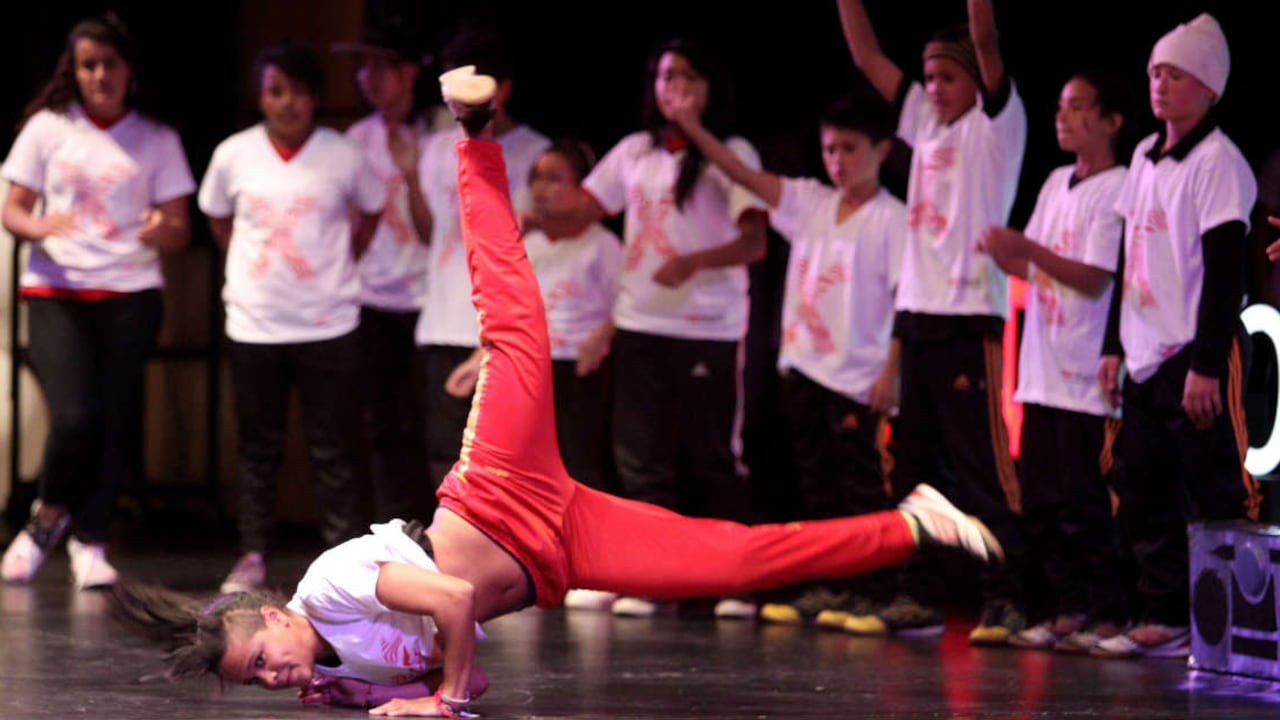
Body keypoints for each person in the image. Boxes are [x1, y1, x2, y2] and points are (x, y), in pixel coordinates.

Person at [116, 67, 1005, 717]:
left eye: (264, 659)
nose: (277, 677)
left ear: (274, 616)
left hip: (499, 491)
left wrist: (443, 702)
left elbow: (458, 607)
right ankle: (914, 523)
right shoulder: (339, 675)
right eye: (259, 683)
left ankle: (474, 136)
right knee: (736, 558)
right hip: (559, 552)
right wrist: (388, 691)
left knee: (516, 323)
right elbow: (479, 662)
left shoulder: (329, 586)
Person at [548, 38, 771, 619]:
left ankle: (737, 581)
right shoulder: (634, 151)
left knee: (712, 455)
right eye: (666, 76)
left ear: (709, 87)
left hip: (708, 330)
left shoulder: (732, 152)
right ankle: (654, 578)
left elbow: (755, 241)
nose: (674, 87)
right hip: (640, 324)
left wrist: (694, 261)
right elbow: (581, 213)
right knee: (640, 458)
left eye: (688, 77)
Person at [667, 89, 905, 629]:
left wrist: (891, 373)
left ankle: (874, 589)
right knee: (815, 486)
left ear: (882, 149)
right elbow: (743, 174)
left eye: (849, 148)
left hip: (858, 376)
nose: (837, 160)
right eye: (829, 149)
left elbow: (904, 303)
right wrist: (696, 128)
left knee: (862, 489)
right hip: (803, 369)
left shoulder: (892, 219)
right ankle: (830, 587)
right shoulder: (810, 201)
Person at [837, 0, 1029, 644]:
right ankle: (919, 592)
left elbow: (986, 37)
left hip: (969, 316)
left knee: (982, 466)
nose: (934, 88)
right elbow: (866, 55)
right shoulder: (923, 120)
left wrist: (978, 28)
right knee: (913, 465)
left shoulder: (995, 126)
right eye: (929, 77)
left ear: (976, 80)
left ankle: (1012, 596)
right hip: (919, 318)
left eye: (948, 76)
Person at [0, 12, 195, 590]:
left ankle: (92, 539)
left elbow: (181, 227)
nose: (99, 75)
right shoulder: (47, 128)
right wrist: (37, 228)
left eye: (109, 63)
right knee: (76, 414)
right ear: (74, 70)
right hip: (58, 288)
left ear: (128, 69)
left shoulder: (157, 137)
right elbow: (12, 208)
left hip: (130, 291)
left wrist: (165, 228)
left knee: (112, 419)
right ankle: (47, 518)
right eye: (88, 65)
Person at [1093, 13, 1259, 659]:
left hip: (1195, 353)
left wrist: (1207, 365)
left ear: (1210, 87)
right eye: (1156, 71)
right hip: (1142, 354)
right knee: (1144, 484)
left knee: (1217, 485)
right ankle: (1164, 613)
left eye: (1177, 74)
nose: (1161, 84)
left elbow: (1225, 272)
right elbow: (1127, 256)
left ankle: (1241, 623)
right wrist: (1113, 344)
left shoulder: (1220, 162)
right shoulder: (1142, 154)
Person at [198, 41, 385, 594]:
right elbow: (217, 218)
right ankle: (253, 553)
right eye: (277, 91)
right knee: (258, 445)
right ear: (261, 97)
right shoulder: (234, 153)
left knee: (333, 446)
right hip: (256, 322)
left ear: (316, 98)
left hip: (329, 323)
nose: (289, 104)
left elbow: (371, 213)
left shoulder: (342, 153)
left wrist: (339, 261)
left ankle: (345, 561)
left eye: (300, 92)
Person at [977, 70, 1132, 653]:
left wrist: (1028, 249)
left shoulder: (1117, 188)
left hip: (1085, 374)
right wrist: (1003, 255)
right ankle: (1066, 606)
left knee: (1087, 501)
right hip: (1040, 373)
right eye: (1061, 107)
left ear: (1112, 120)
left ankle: (1109, 610)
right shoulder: (1054, 182)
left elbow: (1094, 279)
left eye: (1078, 107)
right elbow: (1035, 268)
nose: (1062, 117)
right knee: (1041, 498)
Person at [446, 138, 623, 612]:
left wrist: (600, 338)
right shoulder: (527, 245)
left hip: (578, 366)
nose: (542, 189)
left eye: (555, 179)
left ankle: (595, 569)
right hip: (529, 370)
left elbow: (624, 303)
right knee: (517, 470)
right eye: (536, 179)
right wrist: (475, 359)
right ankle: (518, 566)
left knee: (580, 464)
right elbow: (502, 309)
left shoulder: (602, 245)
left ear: (583, 188)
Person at [414, 27, 549, 492]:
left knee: (501, 459)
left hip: (501, 328)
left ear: (501, 87)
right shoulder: (433, 149)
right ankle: (449, 557)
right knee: (441, 449)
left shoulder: (536, 154)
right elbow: (432, 230)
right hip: (440, 322)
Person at [332, 23, 434, 522]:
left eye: (378, 65)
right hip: (370, 300)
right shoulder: (355, 140)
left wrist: (412, 172)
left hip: (428, 302)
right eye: (361, 66)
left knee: (430, 424)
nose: (366, 77)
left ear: (409, 71)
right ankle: (395, 531)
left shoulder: (439, 133)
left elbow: (441, 231)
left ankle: (437, 529)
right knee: (379, 425)